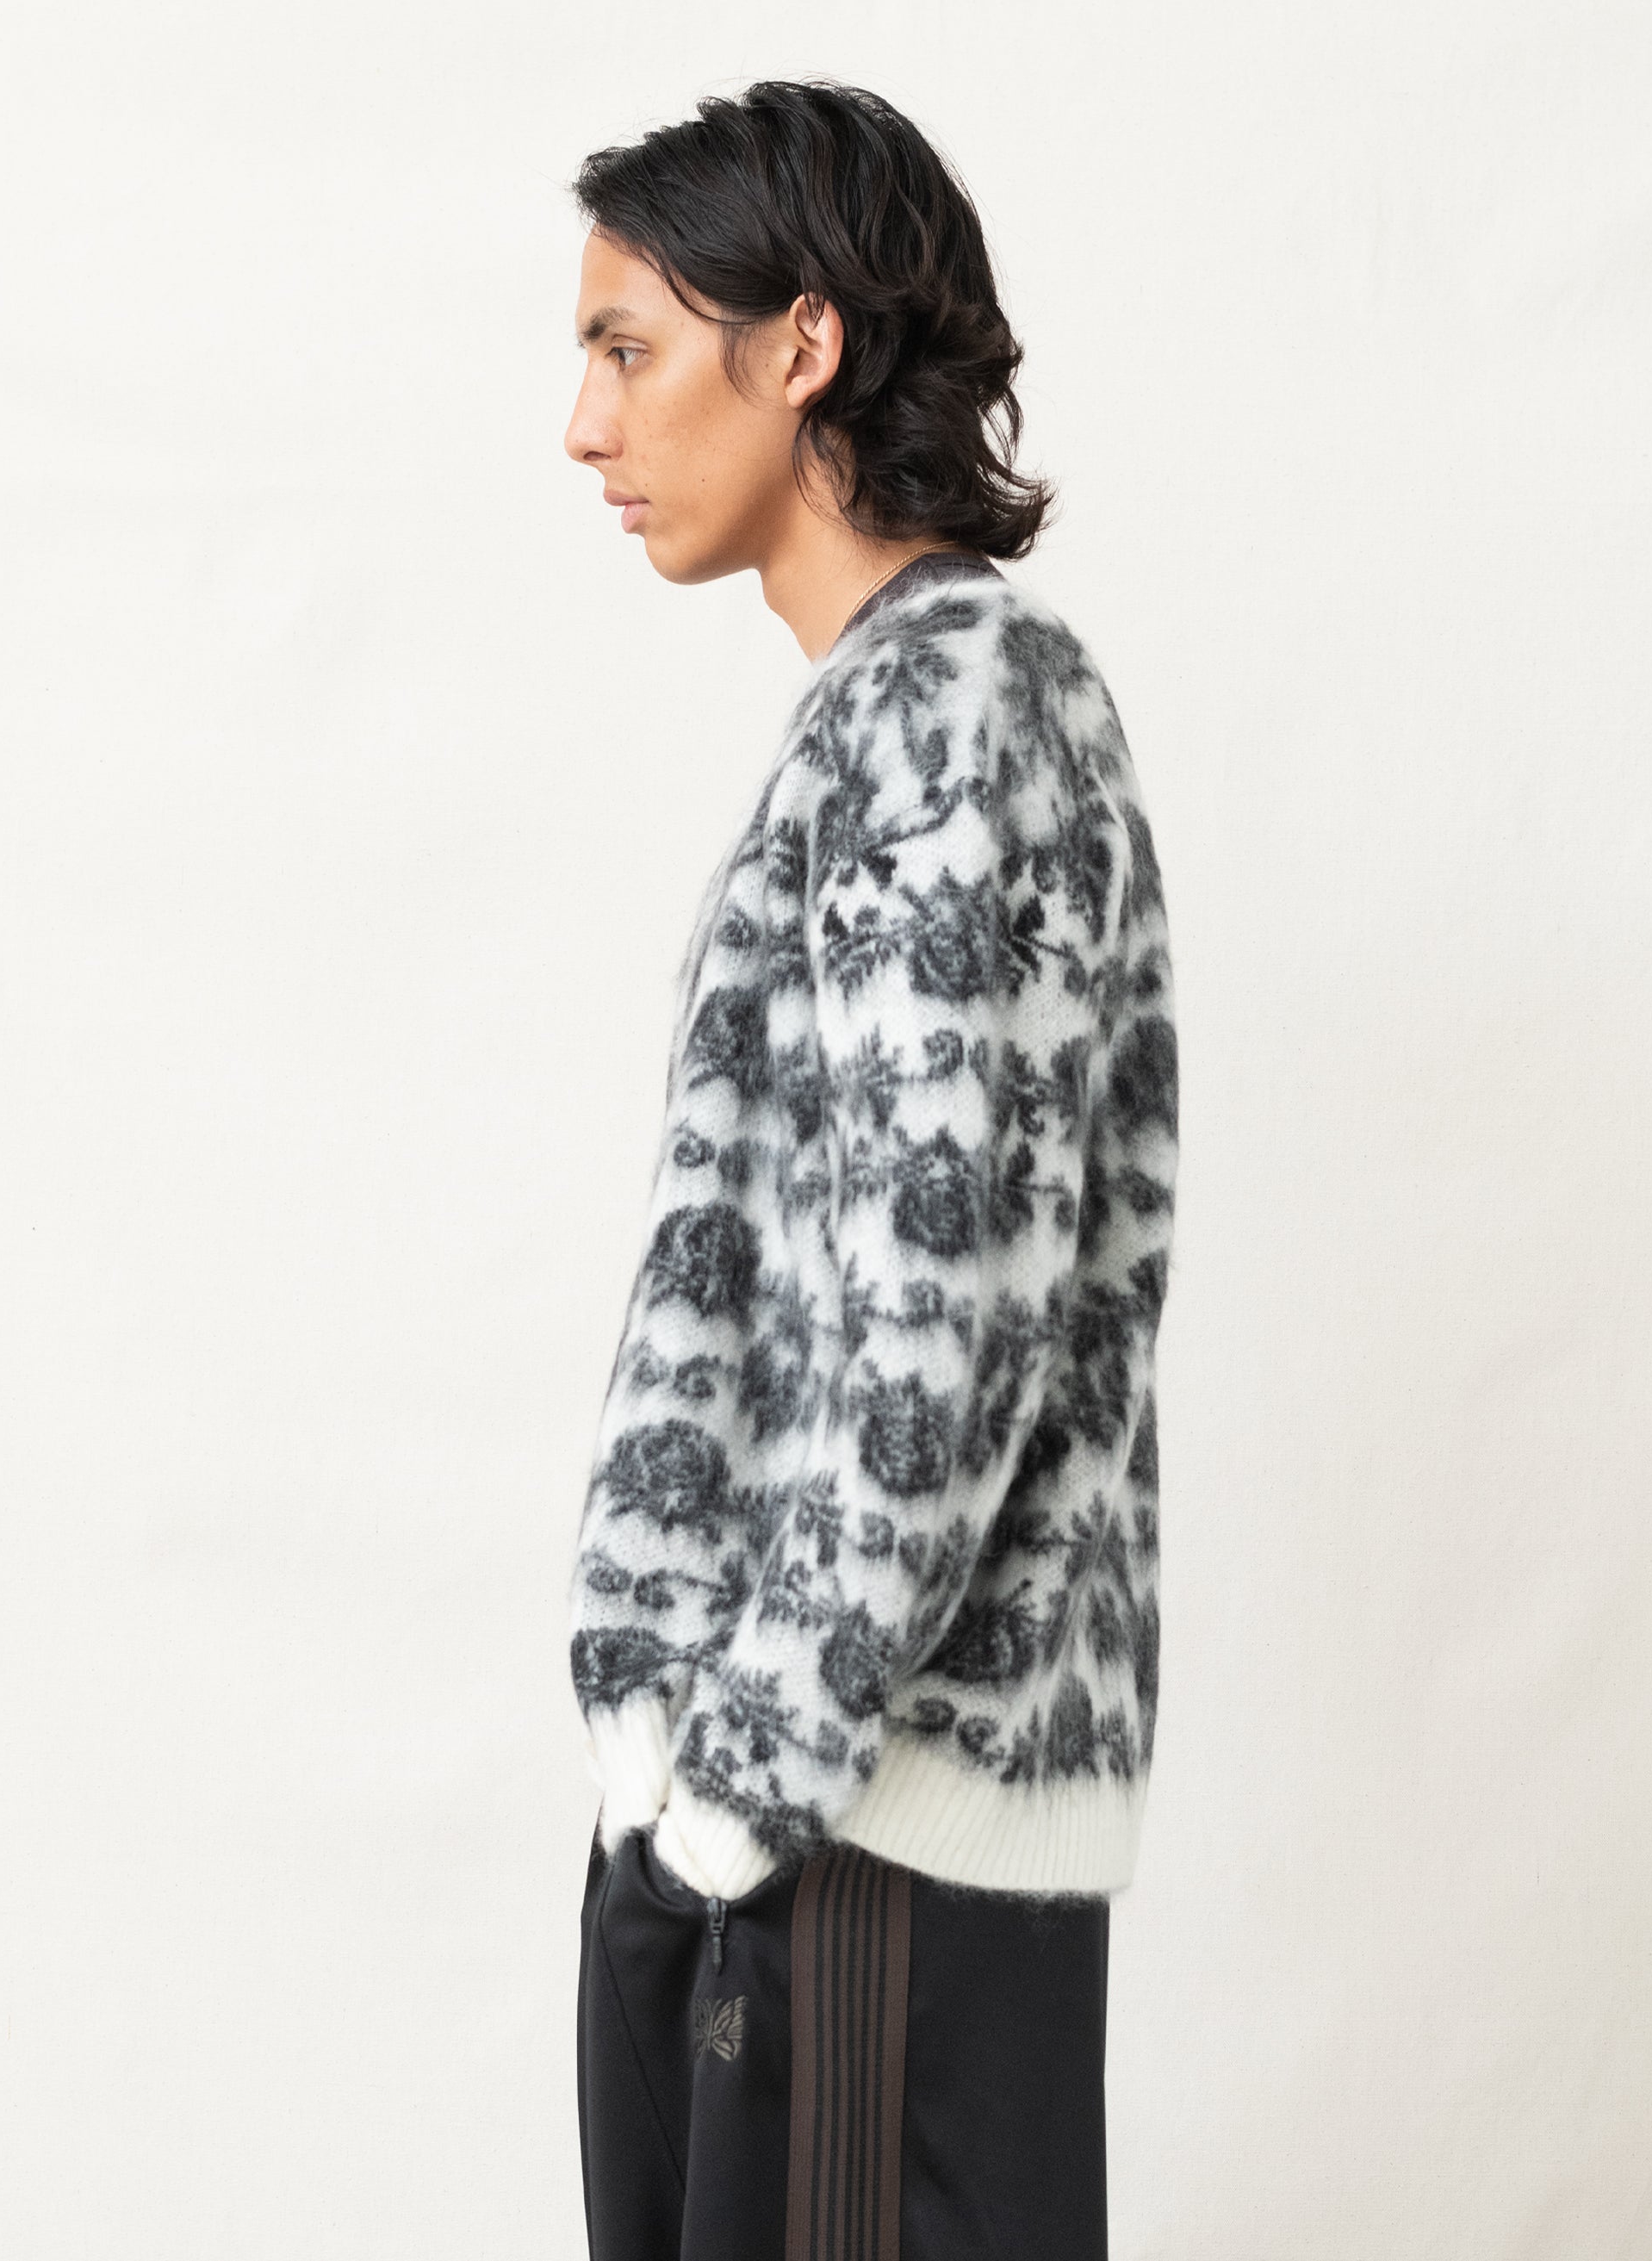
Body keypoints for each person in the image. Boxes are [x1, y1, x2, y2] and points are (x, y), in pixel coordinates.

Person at [561, 78, 1178, 2261]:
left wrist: (743, 1781)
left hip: (863, 1839)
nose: (584, 423)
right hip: (796, 1828)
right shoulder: (884, 708)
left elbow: (943, 1305)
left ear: (799, 344)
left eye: (628, 346)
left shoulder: (962, 709)